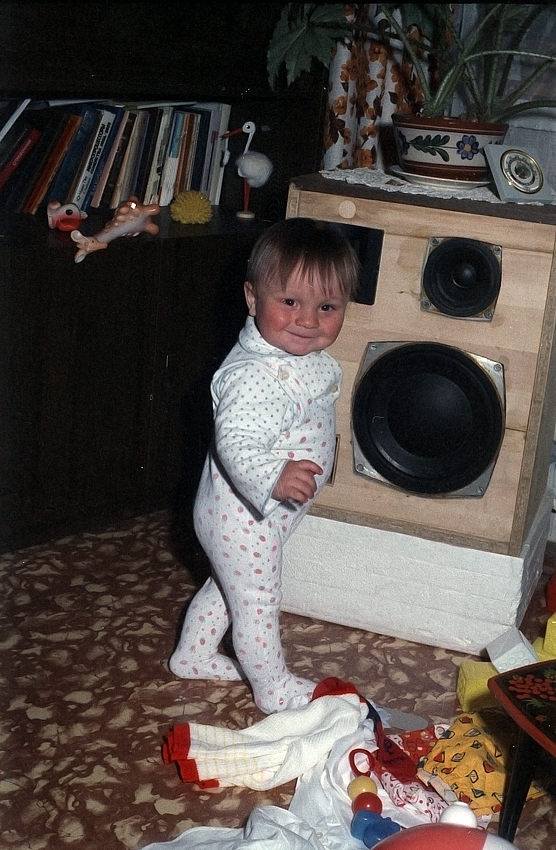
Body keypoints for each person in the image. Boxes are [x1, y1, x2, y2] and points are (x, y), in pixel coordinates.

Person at [169, 217, 361, 714]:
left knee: (228, 586)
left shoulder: (295, 356)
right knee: (257, 598)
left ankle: (193, 655)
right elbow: (237, 443)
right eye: (290, 302)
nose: (308, 320)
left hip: (260, 516)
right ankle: (271, 686)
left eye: (327, 307)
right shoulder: (255, 375)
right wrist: (274, 477)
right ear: (252, 299)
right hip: (243, 518)